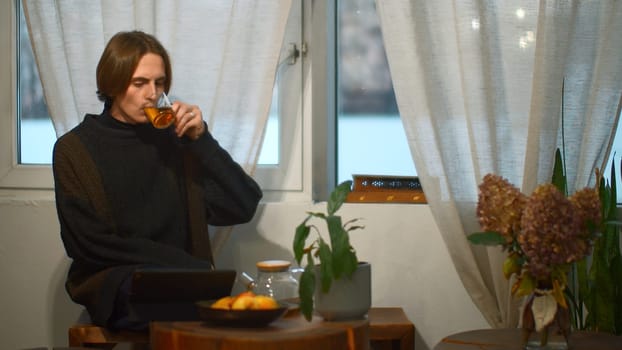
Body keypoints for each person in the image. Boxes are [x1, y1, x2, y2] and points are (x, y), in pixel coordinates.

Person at [52, 30, 262, 330]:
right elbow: (87, 243)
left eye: (159, 82)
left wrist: (202, 140)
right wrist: (183, 264)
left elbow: (243, 205)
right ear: (113, 84)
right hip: (117, 279)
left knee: (235, 309)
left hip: (183, 281)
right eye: (140, 83)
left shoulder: (177, 140)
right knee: (176, 309)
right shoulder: (75, 149)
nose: (152, 93)